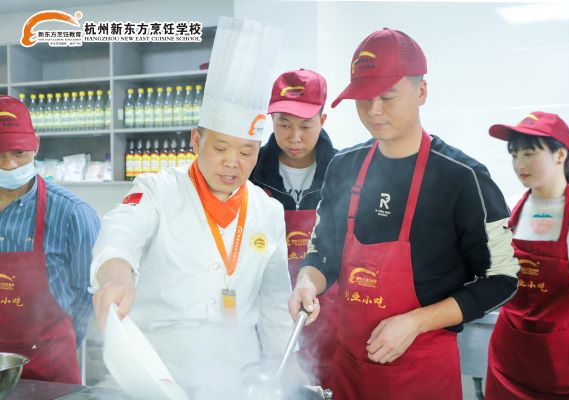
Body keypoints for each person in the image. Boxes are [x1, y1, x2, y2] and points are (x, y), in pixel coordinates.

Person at [287, 28, 520, 400]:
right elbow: (322, 254)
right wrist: (306, 282)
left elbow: (503, 278)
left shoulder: (463, 178)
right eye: (364, 98)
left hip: (422, 377)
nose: (374, 110)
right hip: (348, 373)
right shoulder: (343, 167)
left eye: (387, 96)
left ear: (421, 92)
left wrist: (416, 322)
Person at [89, 17, 294, 396]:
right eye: (221, 148)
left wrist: (286, 373)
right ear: (197, 140)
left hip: (237, 379)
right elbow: (121, 232)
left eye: (246, 152)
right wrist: (116, 275)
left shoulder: (268, 211)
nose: (233, 163)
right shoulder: (159, 190)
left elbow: (276, 303)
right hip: (160, 375)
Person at [486, 111, 569, 398]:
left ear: (560, 155)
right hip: (512, 358)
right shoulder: (510, 208)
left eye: (529, 154)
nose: (519, 164)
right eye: (514, 154)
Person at [0, 95, 99, 384]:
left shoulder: (73, 213)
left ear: (36, 145)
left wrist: (57, 346)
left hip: (50, 371)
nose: (8, 164)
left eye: (19, 153)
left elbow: (87, 296)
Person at [250, 68, 337, 387]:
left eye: (305, 125)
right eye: (284, 124)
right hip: (264, 317)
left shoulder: (343, 171)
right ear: (271, 121)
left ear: (322, 120)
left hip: (328, 314)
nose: (295, 137)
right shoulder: (250, 171)